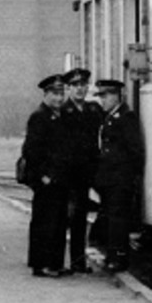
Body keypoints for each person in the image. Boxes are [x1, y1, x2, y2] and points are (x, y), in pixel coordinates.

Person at [21, 73, 72, 277]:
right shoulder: (39, 117)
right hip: (46, 179)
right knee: (44, 221)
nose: (59, 98)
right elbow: (31, 151)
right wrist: (42, 175)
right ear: (46, 94)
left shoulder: (60, 116)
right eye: (55, 94)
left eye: (61, 94)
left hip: (59, 178)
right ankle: (41, 264)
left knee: (59, 222)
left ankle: (55, 263)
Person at [93, 78, 145, 273]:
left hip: (120, 178)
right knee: (112, 217)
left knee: (118, 219)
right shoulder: (110, 117)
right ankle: (112, 255)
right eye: (101, 96)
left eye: (106, 96)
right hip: (109, 179)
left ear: (116, 96)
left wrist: (131, 175)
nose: (103, 100)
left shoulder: (125, 117)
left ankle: (119, 257)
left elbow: (134, 150)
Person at [60, 67, 102, 275]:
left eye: (83, 85)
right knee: (68, 216)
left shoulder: (93, 111)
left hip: (87, 172)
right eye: (75, 86)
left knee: (81, 217)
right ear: (68, 89)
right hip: (68, 173)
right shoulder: (62, 112)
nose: (80, 89)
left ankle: (78, 261)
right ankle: (64, 262)